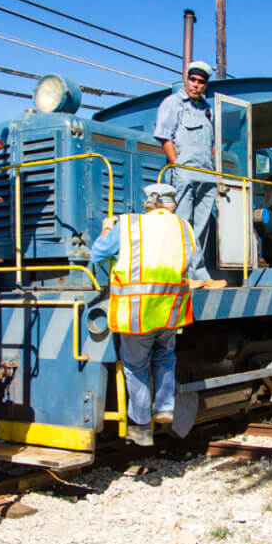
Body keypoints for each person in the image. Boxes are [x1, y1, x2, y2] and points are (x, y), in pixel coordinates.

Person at [89, 183, 201, 446]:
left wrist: (107, 227)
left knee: (136, 367)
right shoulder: (185, 227)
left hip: (137, 313)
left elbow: (97, 254)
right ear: (171, 204)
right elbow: (191, 259)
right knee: (165, 356)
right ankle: (164, 407)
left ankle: (141, 427)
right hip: (171, 310)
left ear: (151, 202)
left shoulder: (129, 225)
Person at [154, 60, 226, 289]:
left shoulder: (207, 109)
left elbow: (212, 143)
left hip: (206, 173)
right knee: (182, 223)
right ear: (187, 79)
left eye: (201, 82)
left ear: (205, 85)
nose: (195, 85)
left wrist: (215, 170)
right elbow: (164, 137)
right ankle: (182, 275)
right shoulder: (172, 103)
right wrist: (177, 166)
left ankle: (201, 275)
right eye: (192, 80)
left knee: (202, 225)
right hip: (184, 173)